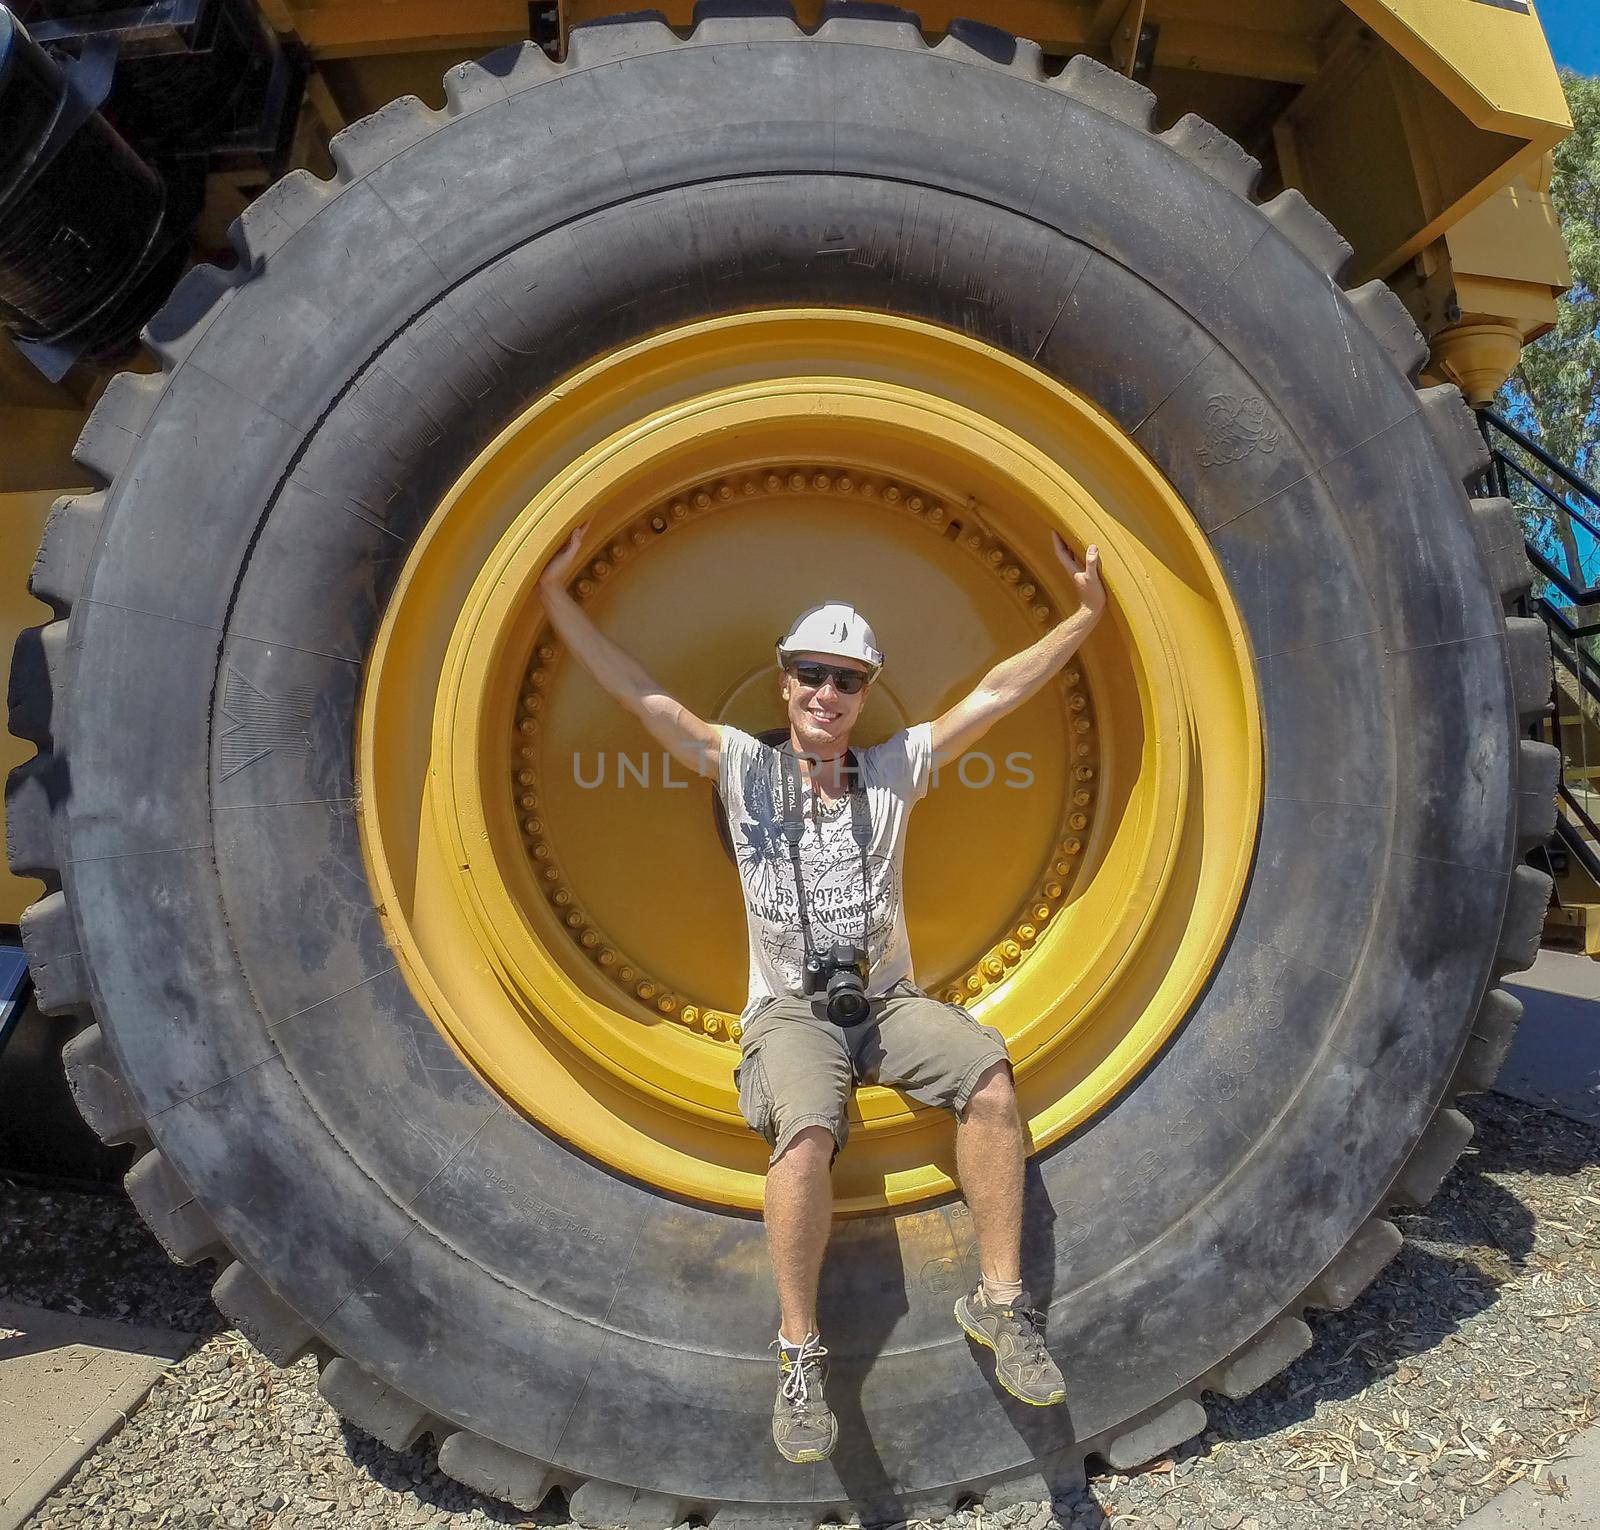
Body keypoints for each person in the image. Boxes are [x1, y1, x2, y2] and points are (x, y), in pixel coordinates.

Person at [536, 520, 1105, 1464]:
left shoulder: (892, 774)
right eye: (810, 673)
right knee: (805, 1130)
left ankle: (1003, 1307)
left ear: (865, 694)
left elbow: (998, 692)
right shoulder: (743, 768)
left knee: (988, 1074)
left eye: (846, 680)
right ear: (784, 682)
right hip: (791, 1011)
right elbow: (642, 696)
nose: (826, 694)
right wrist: (558, 600)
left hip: (885, 1000)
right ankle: (800, 1356)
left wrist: (1084, 616)